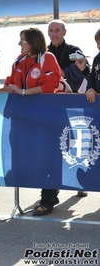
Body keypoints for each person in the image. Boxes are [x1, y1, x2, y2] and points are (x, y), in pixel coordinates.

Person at [0, 27, 61, 216]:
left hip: (45, 117)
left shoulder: (47, 58)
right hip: (22, 118)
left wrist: (24, 92)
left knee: (45, 157)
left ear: (33, 42)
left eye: (22, 40)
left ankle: (48, 199)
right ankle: (51, 192)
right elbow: (12, 84)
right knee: (29, 155)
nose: (19, 43)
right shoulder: (19, 60)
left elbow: (50, 86)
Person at [47, 19, 91, 197]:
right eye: (51, 30)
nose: (54, 33)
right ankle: (54, 183)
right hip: (50, 104)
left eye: (57, 30)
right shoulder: (44, 51)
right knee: (53, 144)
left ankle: (81, 182)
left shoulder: (74, 50)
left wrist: (57, 72)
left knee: (77, 141)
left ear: (64, 32)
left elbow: (81, 70)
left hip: (72, 103)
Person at [85, 28, 100, 103]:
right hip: (97, 99)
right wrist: (90, 88)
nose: (99, 46)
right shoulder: (97, 58)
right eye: (98, 43)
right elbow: (92, 75)